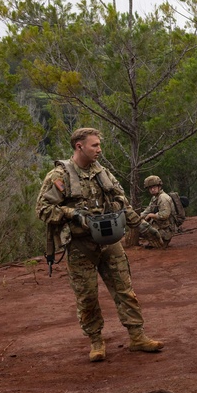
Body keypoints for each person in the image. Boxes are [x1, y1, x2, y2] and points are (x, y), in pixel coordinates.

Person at [36, 128, 164, 362]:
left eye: (98, 145)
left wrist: (143, 227)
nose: (99, 149)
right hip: (80, 246)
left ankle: (137, 337)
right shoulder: (59, 176)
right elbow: (43, 209)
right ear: (79, 146)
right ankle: (96, 342)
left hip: (110, 242)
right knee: (87, 297)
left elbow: (122, 204)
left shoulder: (103, 173)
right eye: (94, 145)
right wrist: (71, 213)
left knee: (125, 291)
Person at [139, 175, 176, 249]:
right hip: (160, 226)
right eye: (150, 188)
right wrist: (138, 218)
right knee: (140, 225)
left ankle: (159, 244)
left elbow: (164, 215)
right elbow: (148, 210)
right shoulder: (155, 198)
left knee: (144, 228)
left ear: (159, 186)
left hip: (166, 229)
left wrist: (151, 215)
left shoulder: (163, 198)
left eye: (154, 187)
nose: (152, 189)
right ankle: (154, 242)